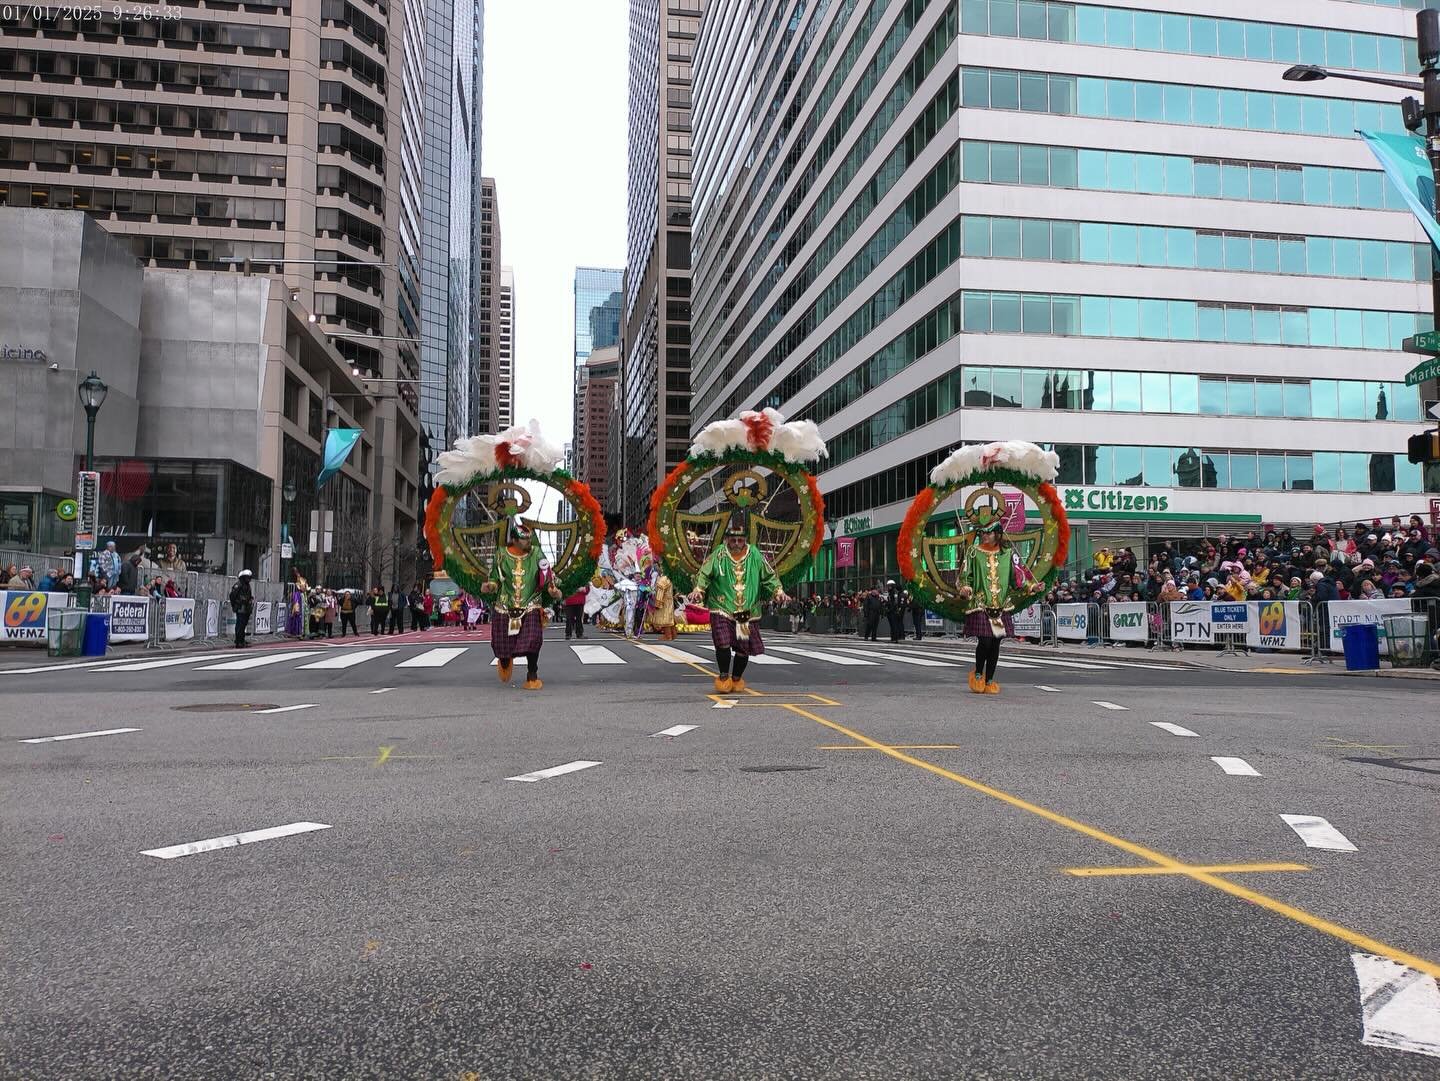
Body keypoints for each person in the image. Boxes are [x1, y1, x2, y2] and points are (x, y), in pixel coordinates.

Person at [686, 518, 789, 693]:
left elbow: (769, 576)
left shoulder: (755, 554)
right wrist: (698, 589)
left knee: (743, 648)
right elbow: (704, 573)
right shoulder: (719, 553)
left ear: (745, 540)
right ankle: (723, 676)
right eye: (733, 540)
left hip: (745, 612)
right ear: (726, 539)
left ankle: (736, 678)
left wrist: (778, 591)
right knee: (722, 642)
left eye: (740, 540)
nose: (736, 543)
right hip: (721, 606)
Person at [957, 506, 1044, 696]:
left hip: (1000, 607)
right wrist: (965, 587)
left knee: (995, 643)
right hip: (981, 605)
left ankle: (990, 679)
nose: (984, 536)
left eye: (988, 533)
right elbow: (965, 576)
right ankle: (978, 673)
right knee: (985, 642)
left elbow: (1017, 578)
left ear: (997, 534)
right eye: (982, 533)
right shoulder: (973, 552)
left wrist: (1032, 587)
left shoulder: (1007, 554)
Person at [480, 522, 561, 689]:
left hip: (531, 602)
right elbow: (495, 578)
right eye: (524, 540)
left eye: (529, 539)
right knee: (502, 646)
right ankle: (504, 660)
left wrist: (552, 589)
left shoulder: (536, 553)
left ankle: (532, 675)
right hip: (505, 603)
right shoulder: (501, 554)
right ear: (515, 540)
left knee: (533, 639)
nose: (528, 542)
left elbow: (546, 575)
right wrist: (490, 586)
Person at [230, 569, 254, 647]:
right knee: (240, 624)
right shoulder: (238, 585)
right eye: (247, 577)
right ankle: (238, 641)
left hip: (246, 608)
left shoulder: (247, 585)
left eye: (249, 577)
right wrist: (235, 604)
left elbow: (248, 596)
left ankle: (242, 640)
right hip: (240, 607)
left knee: (243, 624)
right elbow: (232, 595)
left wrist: (250, 600)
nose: (248, 579)